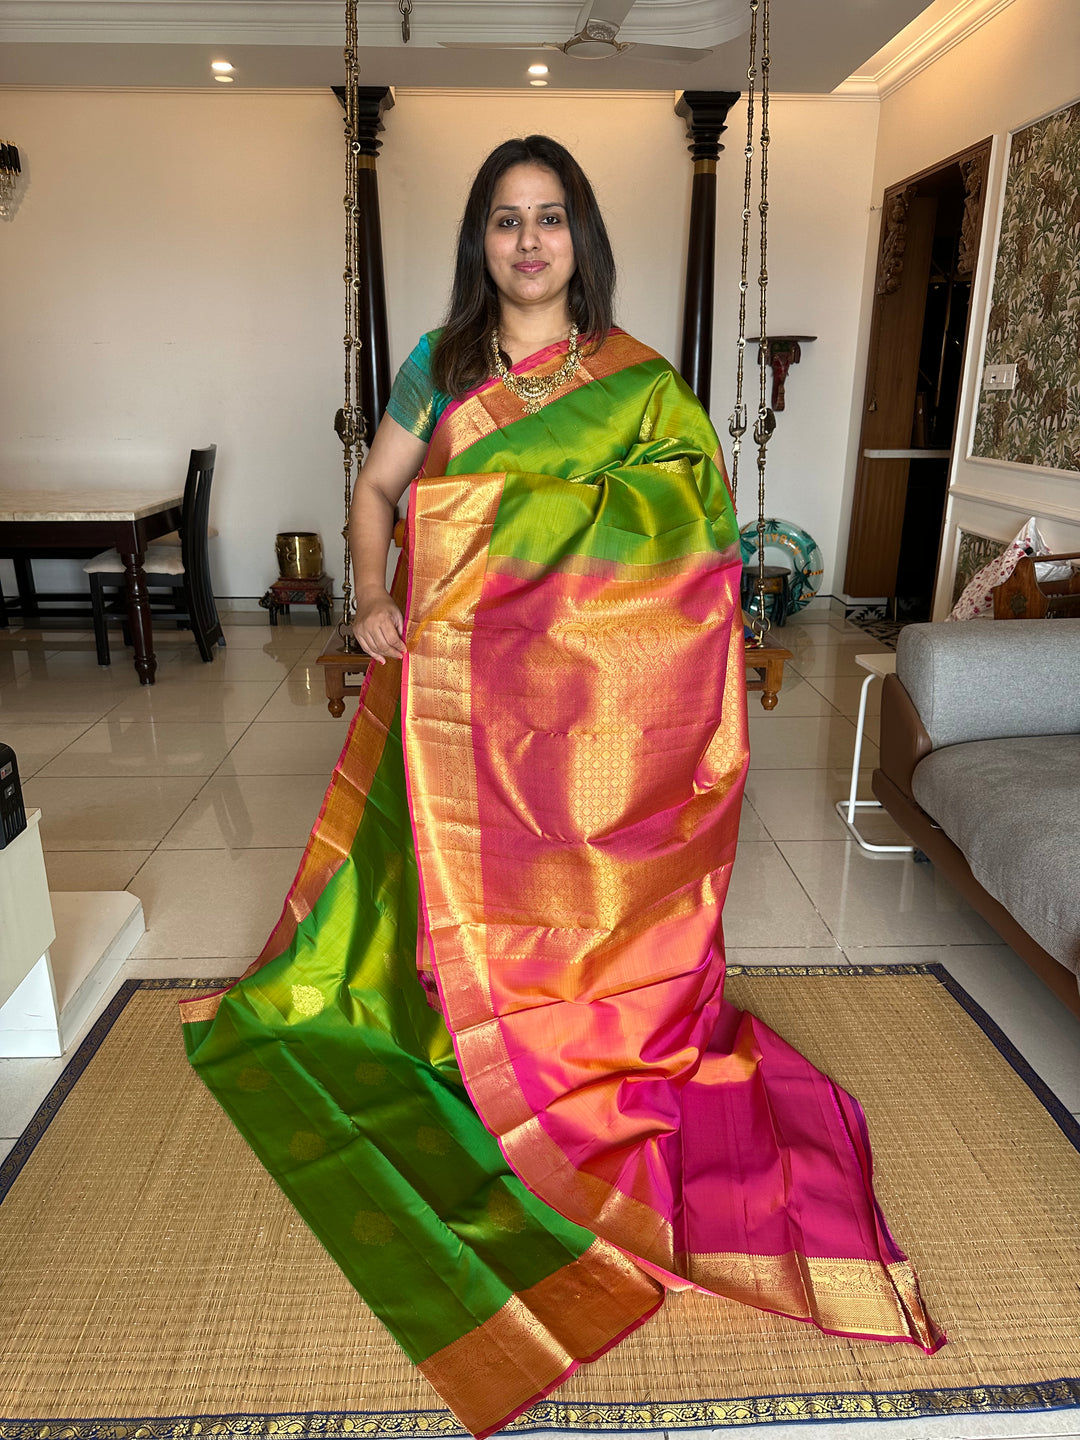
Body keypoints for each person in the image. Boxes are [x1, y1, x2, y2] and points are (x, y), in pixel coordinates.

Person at [182, 136, 942, 1439]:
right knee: (448, 882)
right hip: (452, 692)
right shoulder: (439, 366)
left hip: (576, 701)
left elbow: (688, 531)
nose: (527, 242)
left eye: (549, 220)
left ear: (579, 237)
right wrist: (371, 594)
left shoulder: (639, 384)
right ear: (481, 240)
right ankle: (476, 1039)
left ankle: (564, 1047)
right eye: (504, 220)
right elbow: (376, 495)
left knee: (577, 885)